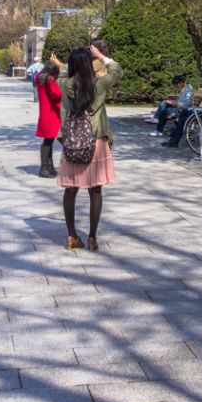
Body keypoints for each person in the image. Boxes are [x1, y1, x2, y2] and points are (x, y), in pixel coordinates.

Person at [55, 42, 121, 251]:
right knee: (95, 190)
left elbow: (60, 76)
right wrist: (102, 56)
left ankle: (72, 235)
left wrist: (69, 64)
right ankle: (92, 237)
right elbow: (117, 70)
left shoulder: (65, 84)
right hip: (96, 140)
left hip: (73, 140)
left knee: (70, 190)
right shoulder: (99, 84)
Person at [35, 60, 62, 178]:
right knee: (49, 141)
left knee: (48, 141)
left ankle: (48, 166)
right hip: (52, 113)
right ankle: (45, 167)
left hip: (45, 112)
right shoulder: (50, 80)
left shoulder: (40, 77)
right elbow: (56, 94)